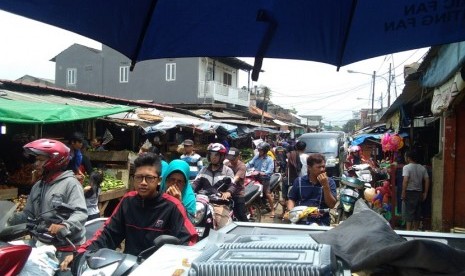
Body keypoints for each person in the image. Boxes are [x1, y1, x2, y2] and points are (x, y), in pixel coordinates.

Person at [60, 153, 198, 272]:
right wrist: (81, 253)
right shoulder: (128, 201)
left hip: (160, 269)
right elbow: (107, 234)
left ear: (159, 181)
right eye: (139, 177)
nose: (143, 183)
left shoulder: (172, 206)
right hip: (128, 267)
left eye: (149, 178)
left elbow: (189, 242)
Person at [8, 139, 87, 275]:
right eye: (36, 160)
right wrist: (9, 219)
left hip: (65, 248)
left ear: (54, 160)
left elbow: (80, 213)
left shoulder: (71, 184)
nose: (36, 164)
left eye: (40, 160)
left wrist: (65, 225)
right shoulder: (38, 186)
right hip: (42, 244)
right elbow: (28, 214)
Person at [287, 153, 337, 226]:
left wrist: (325, 186)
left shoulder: (330, 182)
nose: (322, 169)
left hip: (321, 221)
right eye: (319, 167)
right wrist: (290, 212)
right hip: (301, 220)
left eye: (323, 167)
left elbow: (331, 205)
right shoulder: (299, 181)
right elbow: (291, 199)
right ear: (309, 168)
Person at [192, 143, 235, 228]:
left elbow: (232, 185)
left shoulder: (227, 170)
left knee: (223, 228)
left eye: (216, 155)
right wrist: (189, 190)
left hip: (220, 204)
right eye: (211, 154)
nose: (213, 157)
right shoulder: (203, 170)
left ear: (222, 156)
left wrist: (228, 193)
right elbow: (195, 183)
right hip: (203, 203)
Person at [401, 150, 429, 231]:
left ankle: (408, 232)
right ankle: (416, 231)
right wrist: (425, 192)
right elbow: (427, 179)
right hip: (419, 193)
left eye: (405, 157)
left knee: (409, 213)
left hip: (409, 192)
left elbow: (405, 180)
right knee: (417, 213)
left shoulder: (406, 167)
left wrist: (403, 192)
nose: (405, 158)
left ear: (408, 158)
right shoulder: (422, 168)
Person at [246, 142, 275, 218]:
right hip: (255, 178)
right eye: (258, 150)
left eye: (260, 150)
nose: (259, 151)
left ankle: (272, 210)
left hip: (265, 179)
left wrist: (260, 172)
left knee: (267, 194)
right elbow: (250, 164)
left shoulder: (270, 160)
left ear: (265, 151)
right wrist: (243, 167)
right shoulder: (256, 157)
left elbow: (269, 171)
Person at [224, 147, 248, 222]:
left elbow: (235, 179)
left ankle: (248, 228)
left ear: (238, 157)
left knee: (240, 214)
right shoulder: (227, 164)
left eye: (233, 159)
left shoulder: (242, 166)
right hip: (226, 192)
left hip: (238, 193)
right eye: (230, 159)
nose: (231, 161)